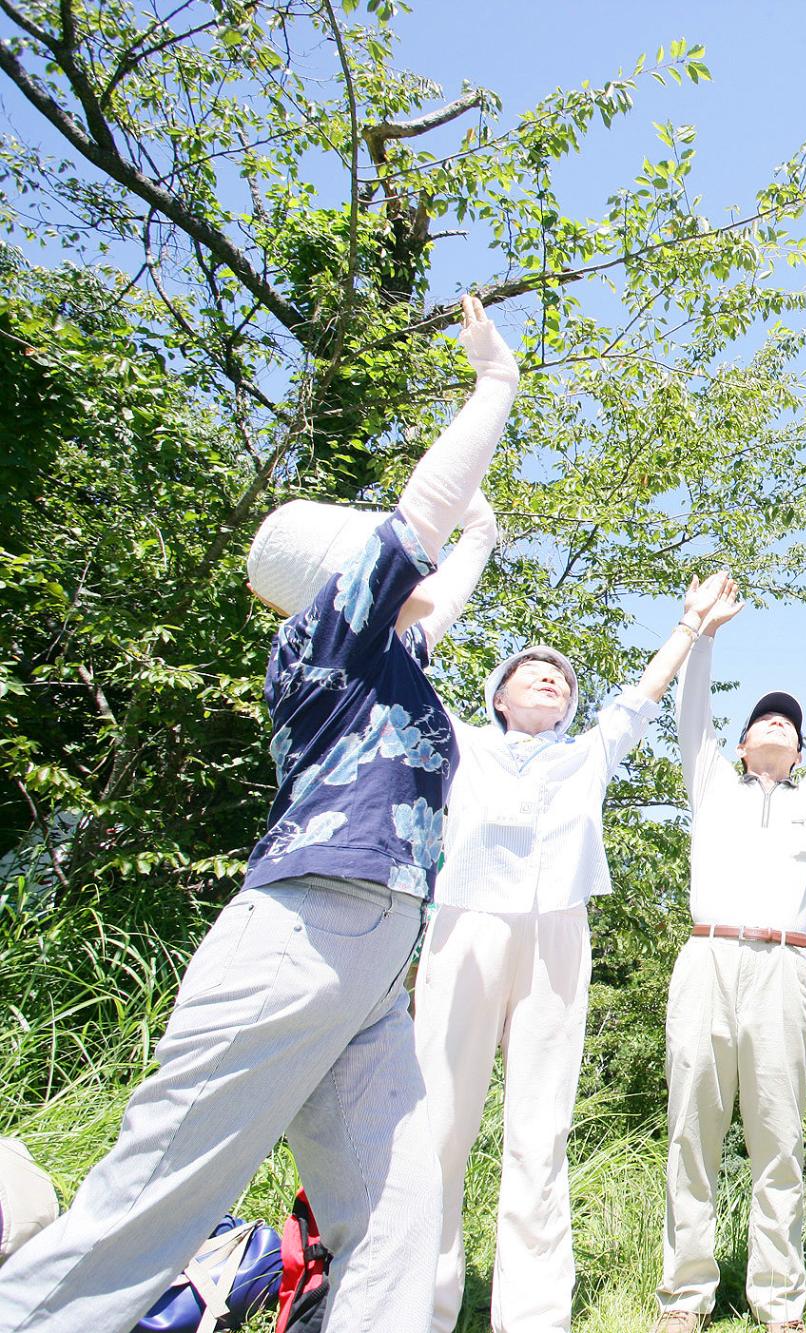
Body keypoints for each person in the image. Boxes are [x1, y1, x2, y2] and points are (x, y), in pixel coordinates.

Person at [0, 294, 520, 1330]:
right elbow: (418, 521)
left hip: (368, 965)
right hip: (300, 936)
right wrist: (493, 389)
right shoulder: (323, 640)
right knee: (157, 1193)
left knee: (398, 1215)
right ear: (339, 573)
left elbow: (441, 581)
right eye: (372, 550)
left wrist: (485, 533)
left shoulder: (384, 657)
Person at [420, 572, 738, 1333]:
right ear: (498, 695)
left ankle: (531, 1315)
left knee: (540, 1130)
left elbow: (643, 696)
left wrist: (691, 623)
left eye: (562, 677)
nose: (552, 678)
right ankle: (415, 1304)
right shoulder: (461, 745)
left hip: (555, 932)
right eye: (533, 670)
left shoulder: (584, 757)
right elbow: (407, 664)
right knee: (437, 1122)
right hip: (465, 922)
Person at [654, 590, 806, 1333]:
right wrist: (705, 634)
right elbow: (691, 714)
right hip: (708, 957)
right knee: (692, 1132)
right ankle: (684, 1297)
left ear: (797, 749)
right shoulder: (713, 783)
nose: (777, 724)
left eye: (790, 721)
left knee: (779, 1140)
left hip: (784, 970)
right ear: (746, 739)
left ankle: (778, 1301)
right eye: (766, 718)